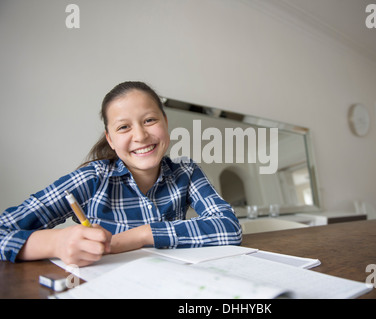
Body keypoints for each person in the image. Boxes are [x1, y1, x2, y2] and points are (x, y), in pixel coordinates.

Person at [0, 81, 242, 266]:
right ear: (110, 139)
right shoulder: (92, 178)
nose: (140, 136)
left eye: (149, 120)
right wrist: (56, 243)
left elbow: (229, 227)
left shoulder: (186, 171)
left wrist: (141, 235)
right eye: (124, 127)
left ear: (165, 122)